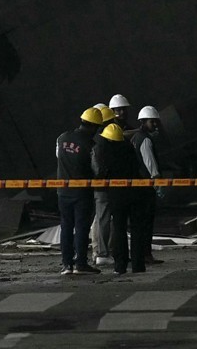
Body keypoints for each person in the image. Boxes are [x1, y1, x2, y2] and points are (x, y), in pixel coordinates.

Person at [55, 108, 104, 275]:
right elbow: (96, 169)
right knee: (82, 227)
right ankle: (81, 264)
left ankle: (66, 265)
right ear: (93, 126)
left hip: (62, 191)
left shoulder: (62, 138)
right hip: (82, 193)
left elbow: (59, 157)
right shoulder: (90, 145)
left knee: (66, 226)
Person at [91, 122, 142, 274]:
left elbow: (101, 172)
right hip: (134, 192)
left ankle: (120, 266)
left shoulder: (106, 151)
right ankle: (139, 265)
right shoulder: (128, 148)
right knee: (136, 229)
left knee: (119, 229)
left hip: (116, 195)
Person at [129, 105, 163, 266]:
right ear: (143, 122)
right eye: (152, 122)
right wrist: (157, 183)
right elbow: (151, 165)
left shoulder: (135, 137)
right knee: (146, 222)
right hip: (146, 186)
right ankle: (146, 254)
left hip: (137, 186)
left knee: (138, 222)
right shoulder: (145, 140)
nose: (155, 125)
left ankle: (140, 254)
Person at [91, 105, 118, 266]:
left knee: (100, 219)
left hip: (98, 186)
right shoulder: (101, 143)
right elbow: (99, 169)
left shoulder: (96, 141)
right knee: (104, 219)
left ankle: (99, 251)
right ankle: (102, 252)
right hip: (103, 187)